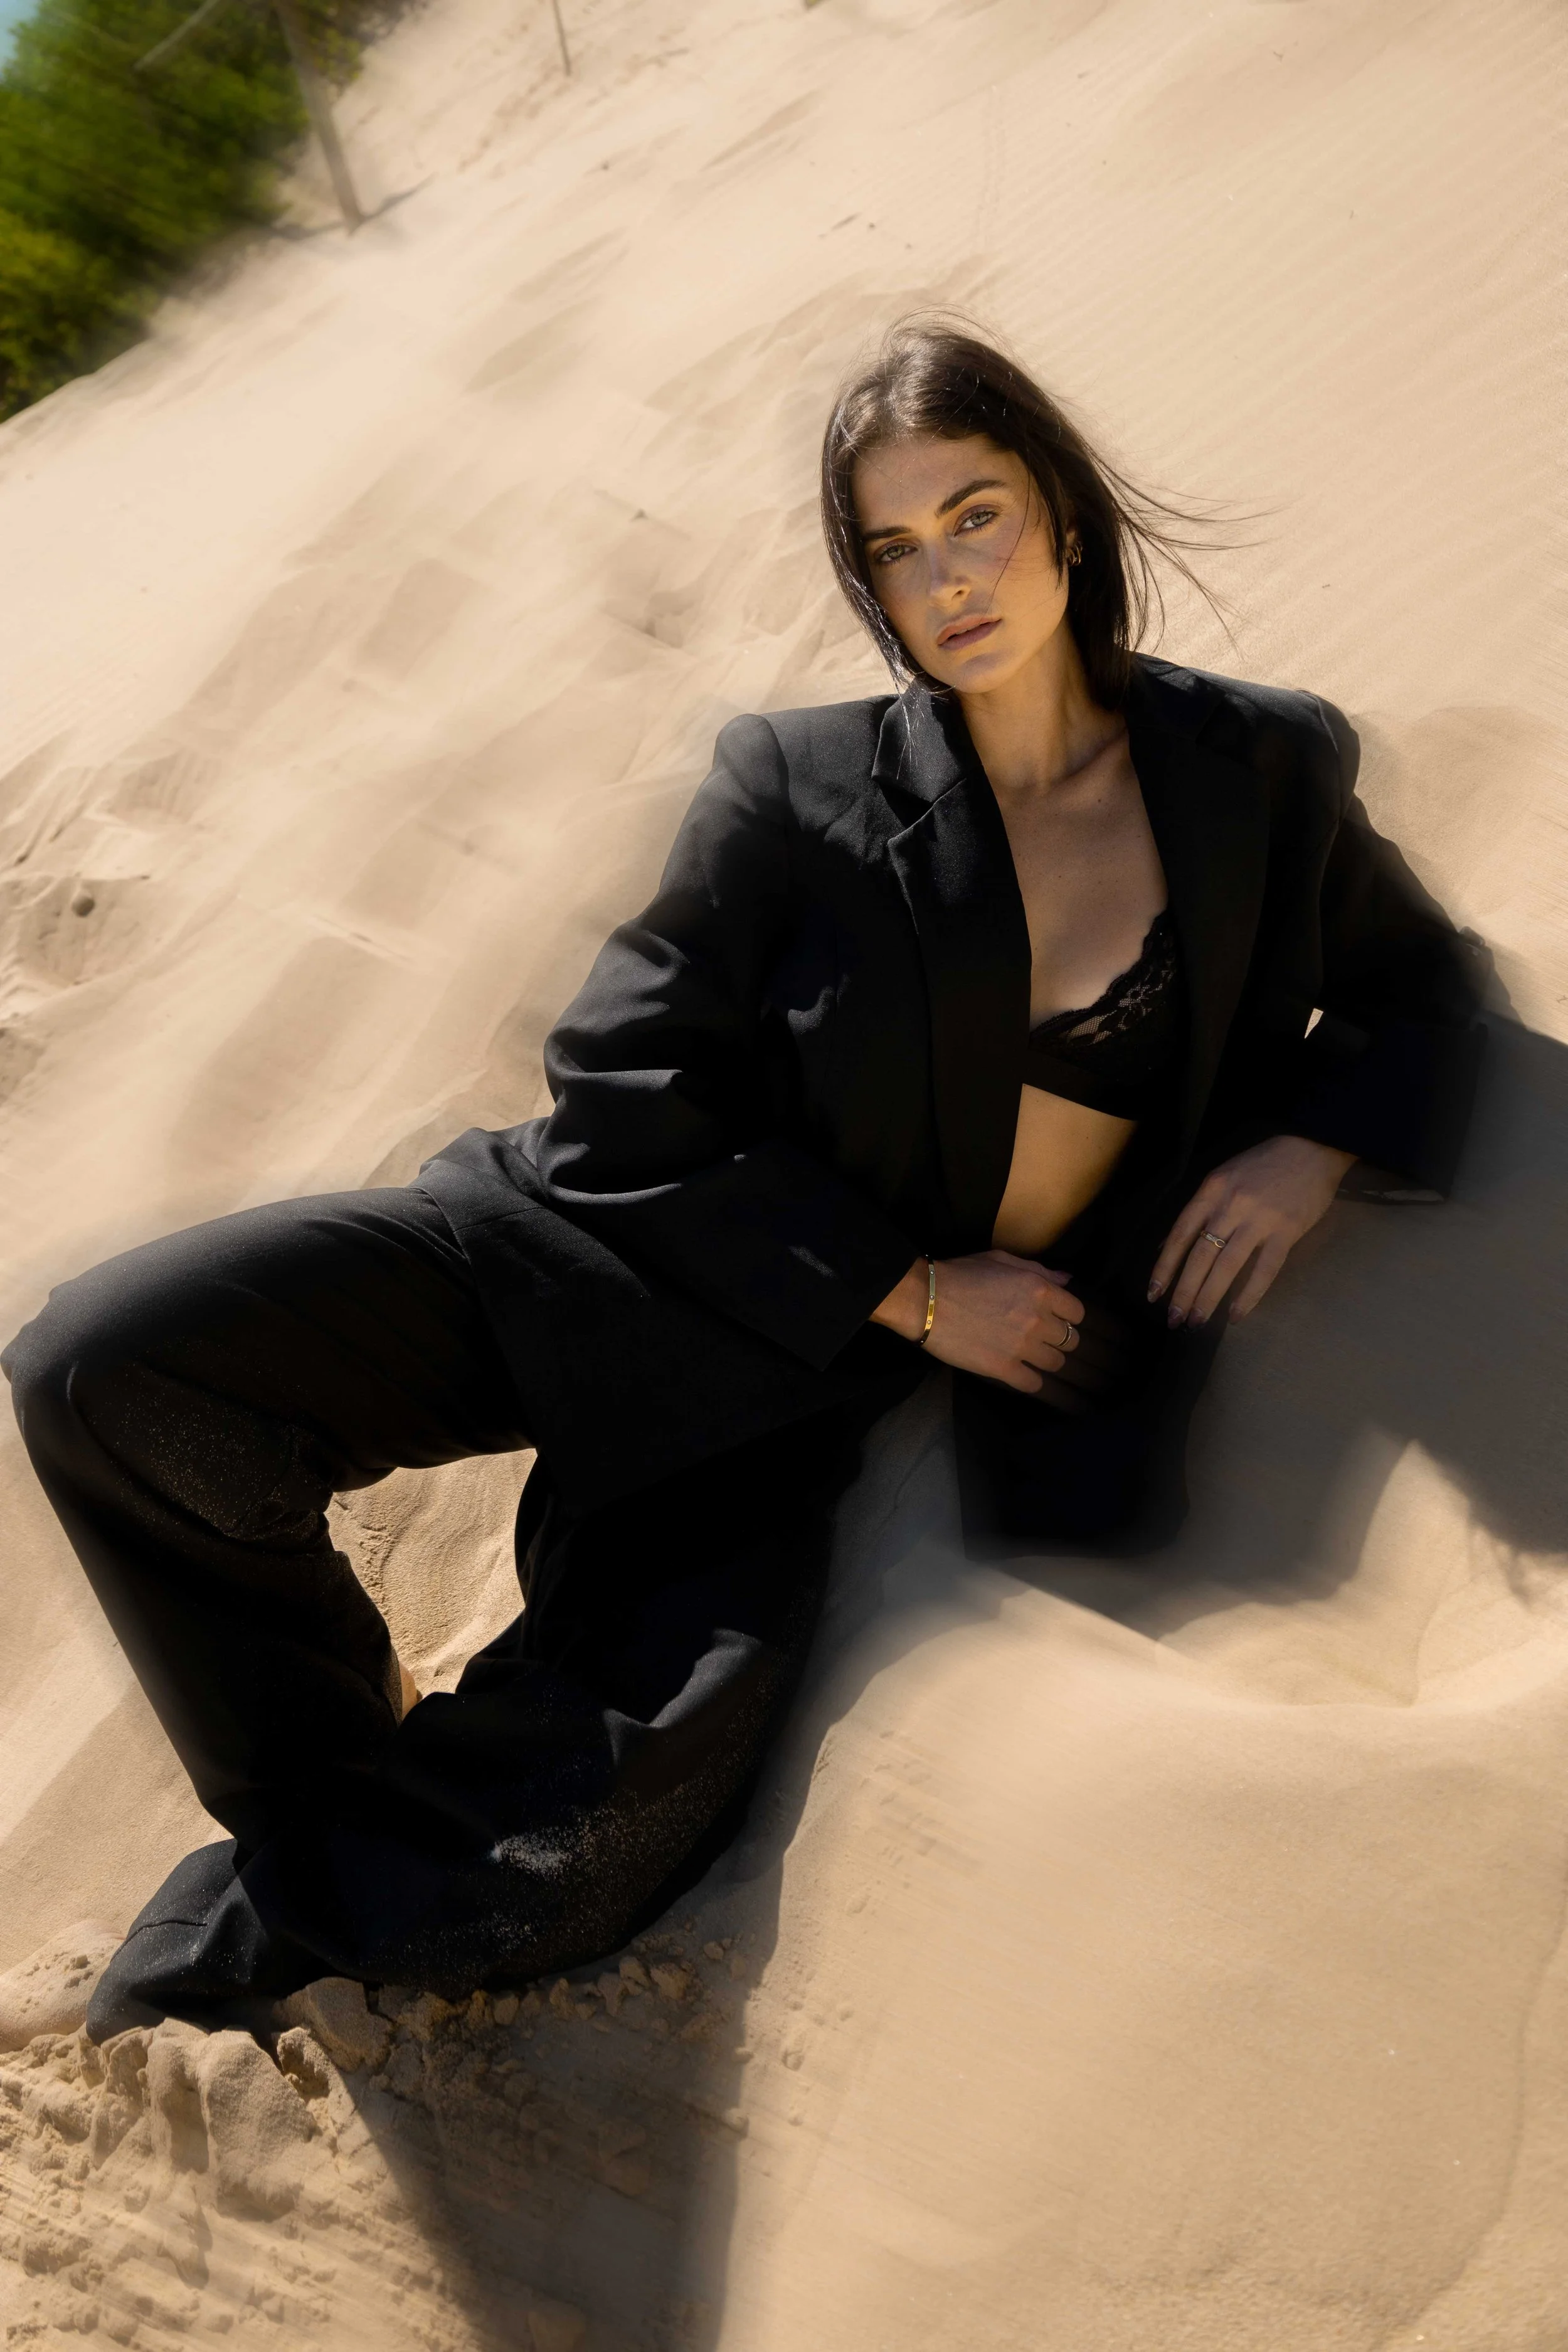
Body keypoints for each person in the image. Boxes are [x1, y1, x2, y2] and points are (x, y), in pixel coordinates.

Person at [4, 322, 1486, 2039]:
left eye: (976, 514)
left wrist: (1313, 1143)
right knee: (102, 1372)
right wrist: (917, 1287)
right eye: (894, 549)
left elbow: (1416, 984)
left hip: (779, 1401)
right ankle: (332, 1747)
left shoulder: (1258, 771)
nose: (948, 578)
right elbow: (618, 1085)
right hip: (603, 1248)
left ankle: (234, 1932)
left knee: (575, 1849)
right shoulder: (793, 790)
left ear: (1063, 515)